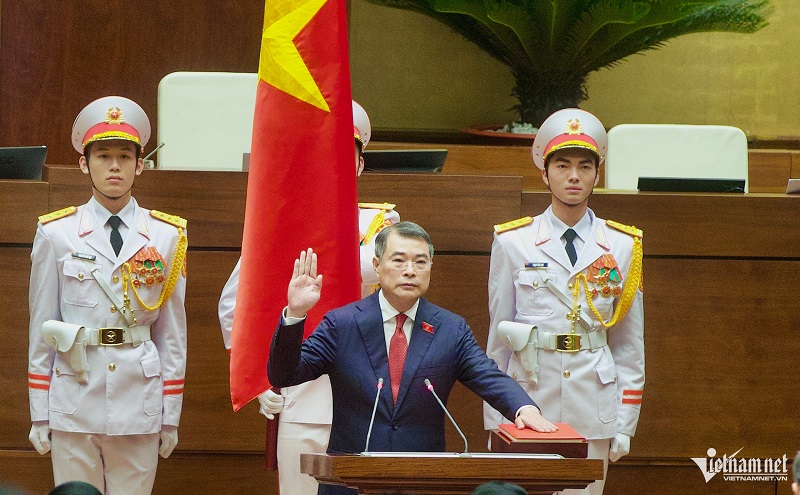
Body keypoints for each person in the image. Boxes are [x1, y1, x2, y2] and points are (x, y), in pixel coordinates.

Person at [269, 221, 557, 495]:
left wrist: (523, 408)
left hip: (423, 479)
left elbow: (487, 375)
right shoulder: (342, 324)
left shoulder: (450, 328)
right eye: (399, 260)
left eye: (420, 262)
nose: (410, 271)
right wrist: (295, 314)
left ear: (431, 267)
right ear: (377, 265)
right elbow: (285, 374)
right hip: (350, 481)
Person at [218, 101, 398, 495]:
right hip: (300, 395)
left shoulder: (381, 225)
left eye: (344, 155)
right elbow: (236, 304)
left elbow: (375, 270)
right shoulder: (281, 222)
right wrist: (260, 376)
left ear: (360, 165)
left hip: (365, 397)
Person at [27, 96, 188, 495]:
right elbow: (42, 327)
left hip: (139, 402)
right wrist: (39, 411)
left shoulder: (166, 235)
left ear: (140, 165)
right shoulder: (57, 233)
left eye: (124, 156)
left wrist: (170, 414)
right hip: (74, 399)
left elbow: (172, 334)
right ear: (85, 164)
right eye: (102, 156)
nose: (114, 166)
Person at [483, 108, 644, 495]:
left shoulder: (623, 245)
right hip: (528, 401)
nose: (574, 176)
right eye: (562, 166)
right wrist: (495, 418)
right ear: (545, 173)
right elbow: (498, 339)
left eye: (585, 166)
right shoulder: (513, 241)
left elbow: (629, 345)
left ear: (597, 175)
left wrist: (625, 422)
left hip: (594, 404)